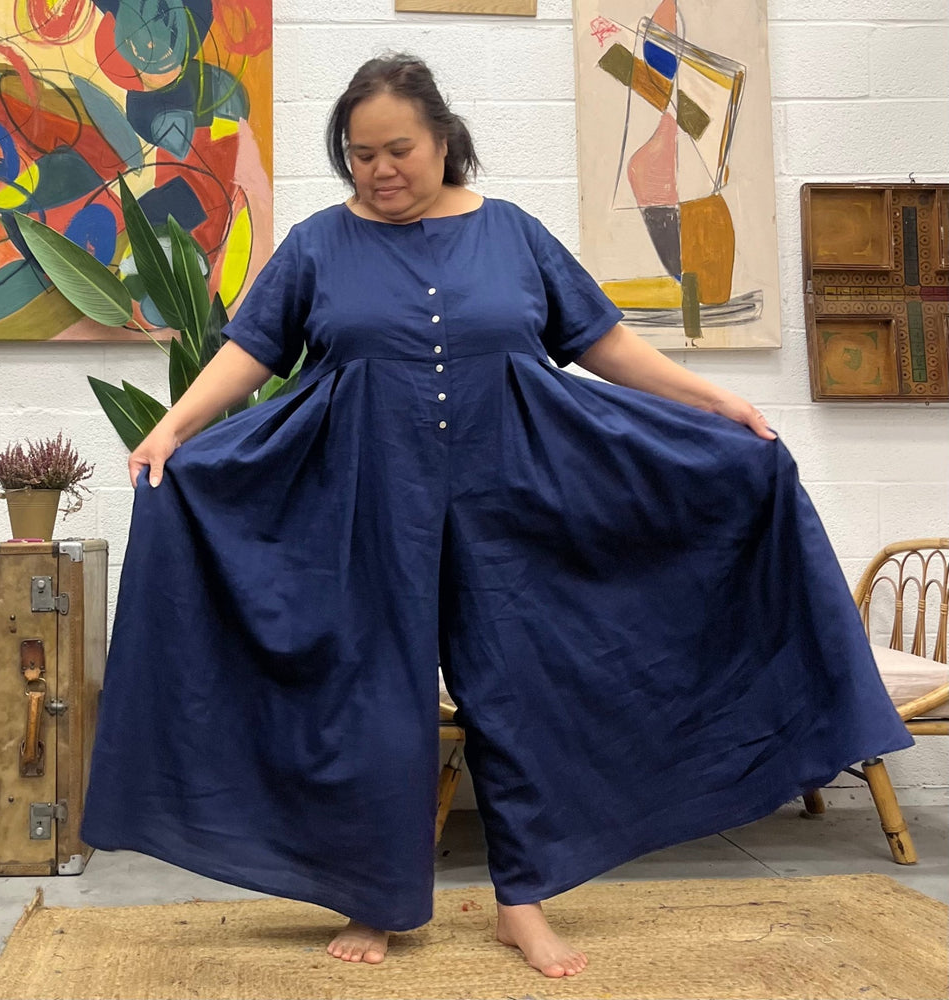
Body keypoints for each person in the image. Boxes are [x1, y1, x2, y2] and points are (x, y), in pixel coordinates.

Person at [81, 53, 913, 979]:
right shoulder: (317, 245)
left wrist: (713, 402)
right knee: (369, 701)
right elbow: (251, 351)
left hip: (520, 501)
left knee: (524, 692)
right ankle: (373, 897)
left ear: (443, 139)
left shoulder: (514, 233)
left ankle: (524, 902)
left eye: (398, 149)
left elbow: (603, 344)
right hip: (362, 507)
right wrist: (173, 429)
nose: (379, 169)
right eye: (360, 154)